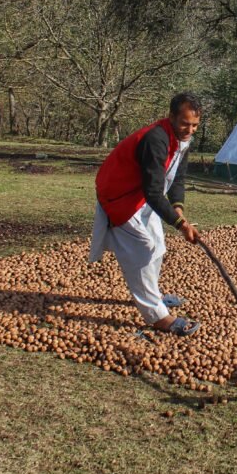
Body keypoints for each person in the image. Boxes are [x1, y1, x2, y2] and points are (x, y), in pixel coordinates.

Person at [89, 92, 203, 335]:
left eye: (194, 125)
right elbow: (153, 191)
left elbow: (177, 178)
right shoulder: (156, 139)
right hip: (121, 197)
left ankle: (153, 294)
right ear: (171, 117)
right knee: (142, 250)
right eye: (185, 123)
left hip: (141, 197)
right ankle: (157, 316)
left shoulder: (182, 140)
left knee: (158, 246)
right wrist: (181, 224)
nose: (189, 130)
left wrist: (178, 209)